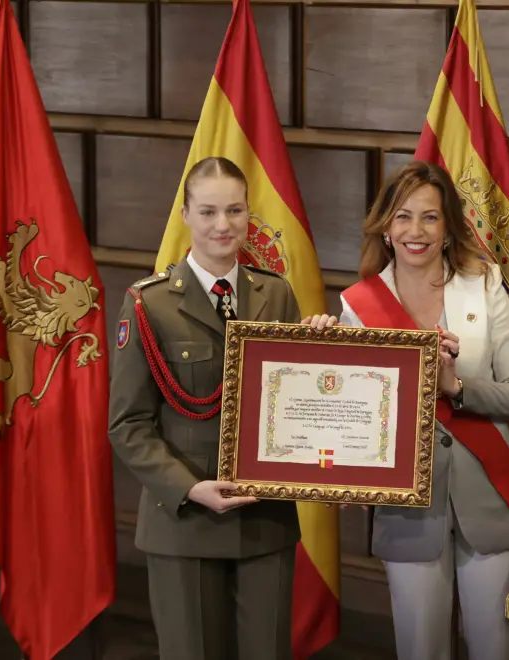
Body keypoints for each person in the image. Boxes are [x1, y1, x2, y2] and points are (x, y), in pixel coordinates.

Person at [306, 161, 509, 660]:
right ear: (386, 228)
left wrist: (456, 387)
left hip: (488, 502)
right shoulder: (358, 306)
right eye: (404, 217)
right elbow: (353, 417)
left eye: (431, 218)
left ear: (448, 226)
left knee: (495, 650)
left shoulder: (484, 285)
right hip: (407, 510)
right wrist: (317, 350)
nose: (417, 231)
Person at [108, 156, 305, 660]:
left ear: (248, 214)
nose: (223, 225)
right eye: (209, 211)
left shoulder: (277, 295)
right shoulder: (148, 304)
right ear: (185, 214)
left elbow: (296, 406)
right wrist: (189, 487)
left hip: (265, 520)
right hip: (185, 522)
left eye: (235, 210)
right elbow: (128, 424)